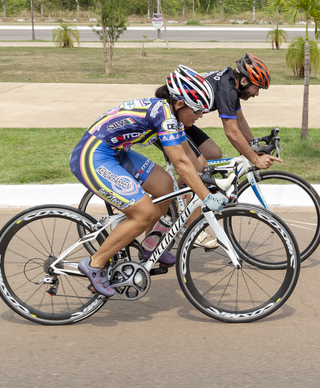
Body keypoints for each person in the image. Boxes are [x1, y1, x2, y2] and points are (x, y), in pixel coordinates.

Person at [71, 65, 227, 297]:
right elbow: (180, 163)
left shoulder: (171, 114)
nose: (201, 115)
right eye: (197, 110)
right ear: (180, 104)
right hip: (93, 155)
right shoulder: (163, 116)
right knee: (143, 213)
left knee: (165, 185)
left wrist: (208, 179)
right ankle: (95, 263)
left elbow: (188, 155)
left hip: (116, 152)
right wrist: (206, 196)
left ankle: (150, 245)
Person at [182, 53, 280, 171]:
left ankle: (185, 182)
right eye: (256, 88)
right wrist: (255, 159)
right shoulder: (227, 91)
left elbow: (240, 120)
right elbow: (231, 132)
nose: (256, 93)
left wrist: (254, 147)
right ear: (244, 80)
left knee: (213, 154)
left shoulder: (232, 83)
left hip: (183, 122)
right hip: (169, 120)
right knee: (201, 168)